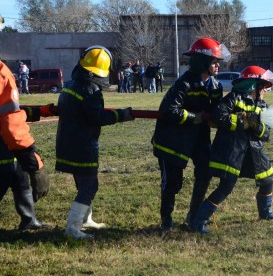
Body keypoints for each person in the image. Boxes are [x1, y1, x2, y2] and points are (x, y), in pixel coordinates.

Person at [189, 66, 273, 234]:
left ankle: (266, 212)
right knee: (226, 186)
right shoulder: (234, 98)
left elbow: (266, 134)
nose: (265, 91)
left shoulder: (262, 105)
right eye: (263, 87)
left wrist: (257, 127)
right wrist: (243, 122)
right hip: (232, 150)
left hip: (253, 152)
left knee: (268, 180)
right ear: (254, 86)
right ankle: (198, 222)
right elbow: (219, 115)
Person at [55, 45, 135, 239]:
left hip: (67, 142)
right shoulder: (91, 89)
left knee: (85, 184)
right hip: (83, 145)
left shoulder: (71, 85)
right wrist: (122, 115)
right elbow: (96, 117)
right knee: (89, 186)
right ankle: (73, 228)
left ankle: (85, 219)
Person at [151, 37, 229, 232]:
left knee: (205, 171)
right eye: (214, 62)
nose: (217, 66)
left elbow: (217, 111)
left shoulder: (215, 86)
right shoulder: (184, 84)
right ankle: (166, 222)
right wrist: (194, 117)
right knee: (173, 182)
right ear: (202, 62)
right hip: (172, 140)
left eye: (218, 62)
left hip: (198, 137)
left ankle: (194, 215)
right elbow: (168, 109)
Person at [0, 60, 50, 231]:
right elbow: (10, 121)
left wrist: (38, 111)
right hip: (4, 140)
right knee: (7, 171)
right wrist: (35, 165)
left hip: (5, 141)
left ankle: (29, 220)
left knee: (18, 175)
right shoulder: (1, 72)